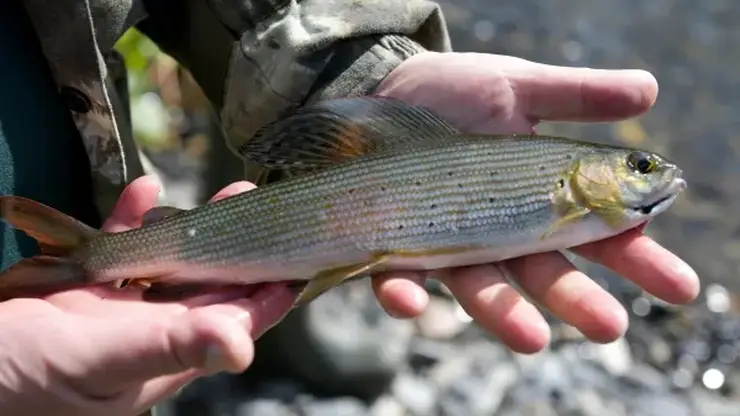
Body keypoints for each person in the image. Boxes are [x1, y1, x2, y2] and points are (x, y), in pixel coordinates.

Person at [0, 0, 699, 415]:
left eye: (643, 166)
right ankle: (93, 258)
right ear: (586, 181)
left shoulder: (579, 197)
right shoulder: (568, 194)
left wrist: (354, 66)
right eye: (639, 166)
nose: (654, 174)